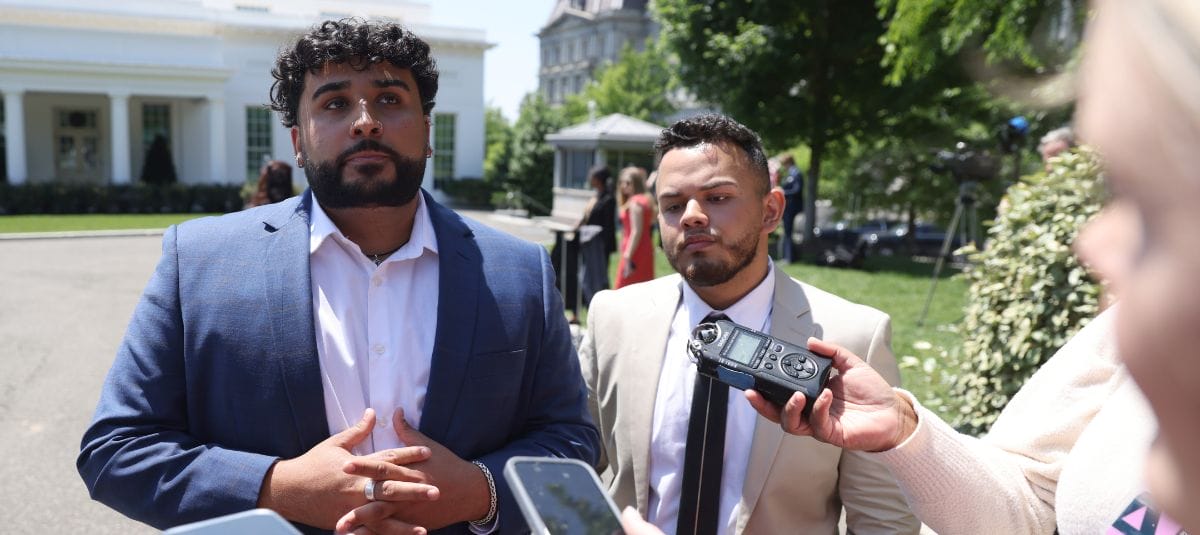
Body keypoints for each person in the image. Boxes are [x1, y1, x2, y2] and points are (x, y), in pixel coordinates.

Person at [77, 19, 599, 535]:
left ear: (428, 129)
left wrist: (478, 491)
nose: (366, 121)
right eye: (334, 103)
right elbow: (117, 448)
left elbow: (571, 438)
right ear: (298, 143)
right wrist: (278, 489)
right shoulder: (196, 261)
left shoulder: (518, 271)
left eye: (391, 99)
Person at [739, 2, 1200, 531]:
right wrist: (903, 432)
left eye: (1145, 196)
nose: (1091, 246)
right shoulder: (1124, 334)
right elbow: (1026, 499)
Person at [579, 113, 918, 534]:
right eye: (672, 205)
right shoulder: (613, 318)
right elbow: (578, 471)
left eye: (717, 197)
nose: (691, 216)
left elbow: (884, 523)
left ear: (771, 210)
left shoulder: (852, 338)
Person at [577, 164, 617, 305]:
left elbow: (607, 225)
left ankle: (600, 307)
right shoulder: (596, 196)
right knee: (586, 279)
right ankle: (590, 306)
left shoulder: (608, 199)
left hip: (599, 246)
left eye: (591, 175)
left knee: (598, 279)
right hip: (589, 244)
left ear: (598, 179)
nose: (589, 178)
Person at [615, 166, 654, 288]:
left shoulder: (635, 202)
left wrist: (627, 255)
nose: (624, 186)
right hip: (644, 247)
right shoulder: (646, 199)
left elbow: (636, 231)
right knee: (642, 288)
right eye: (622, 182)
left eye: (628, 183)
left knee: (622, 289)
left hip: (634, 250)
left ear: (636, 183)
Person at [777, 154, 804, 262]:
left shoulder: (796, 173)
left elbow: (797, 190)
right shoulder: (790, 173)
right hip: (788, 207)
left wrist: (783, 192)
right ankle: (788, 257)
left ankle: (789, 258)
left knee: (789, 232)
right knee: (787, 232)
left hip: (792, 207)